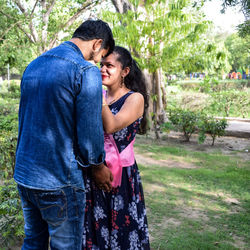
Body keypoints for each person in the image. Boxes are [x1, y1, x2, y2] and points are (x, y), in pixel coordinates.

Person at [14, 20, 114, 250]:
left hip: (25, 174)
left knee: (32, 242)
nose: (97, 63)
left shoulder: (34, 65)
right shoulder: (84, 70)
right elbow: (89, 132)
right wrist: (98, 166)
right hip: (59, 179)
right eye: (100, 57)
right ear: (97, 44)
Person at [82, 46, 150, 249]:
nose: (102, 69)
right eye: (101, 64)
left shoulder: (134, 98)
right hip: (93, 171)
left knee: (120, 232)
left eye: (109, 65)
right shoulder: (100, 95)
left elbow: (111, 125)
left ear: (125, 71)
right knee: (94, 231)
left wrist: (97, 97)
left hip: (121, 178)